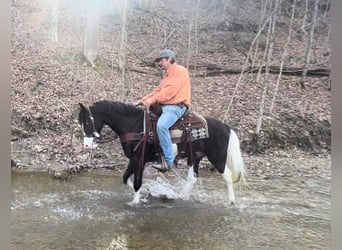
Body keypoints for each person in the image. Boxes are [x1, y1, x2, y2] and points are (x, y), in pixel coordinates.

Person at [134, 49, 191, 169]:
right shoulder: (167, 74)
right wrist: (144, 100)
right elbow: (158, 90)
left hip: (176, 107)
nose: (160, 63)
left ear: (169, 59)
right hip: (166, 106)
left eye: (162, 60)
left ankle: (169, 162)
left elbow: (169, 92)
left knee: (161, 126)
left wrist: (152, 101)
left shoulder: (180, 71)